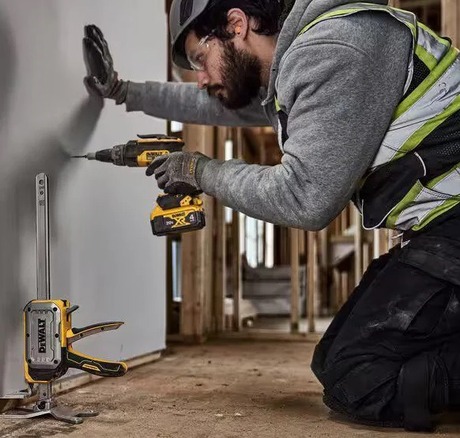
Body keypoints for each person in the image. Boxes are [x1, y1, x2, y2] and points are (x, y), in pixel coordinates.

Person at [83, 0, 460, 432]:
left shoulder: (331, 50)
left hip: (453, 226)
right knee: (336, 357)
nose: (200, 78)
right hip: (441, 230)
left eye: (200, 60)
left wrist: (202, 170)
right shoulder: (297, 64)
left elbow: (306, 198)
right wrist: (121, 90)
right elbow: (210, 104)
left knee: (359, 378)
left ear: (236, 24)